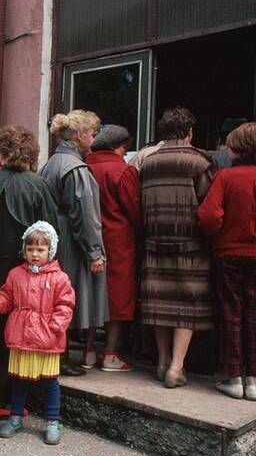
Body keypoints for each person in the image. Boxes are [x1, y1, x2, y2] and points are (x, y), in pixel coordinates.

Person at [0, 125, 58, 419]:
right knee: (16, 335)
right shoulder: (38, 185)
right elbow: (49, 233)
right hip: (23, 272)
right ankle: (3, 400)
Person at [139, 107, 215, 389]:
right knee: (186, 304)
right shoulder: (199, 162)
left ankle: (162, 361)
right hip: (190, 245)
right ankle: (176, 367)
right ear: (190, 132)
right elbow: (208, 204)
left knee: (160, 302)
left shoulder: (148, 162)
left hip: (153, 241)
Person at [0, 221, 75, 444]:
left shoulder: (59, 278)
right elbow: (8, 298)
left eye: (40, 250)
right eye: (30, 249)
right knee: (19, 379)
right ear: (24, 250)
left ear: (51, 251)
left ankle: (52, 421)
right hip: (22, 336)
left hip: (47, 338)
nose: (35, 254)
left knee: (50, 382)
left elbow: (65, 306)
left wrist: (56, 326)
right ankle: (15, 417)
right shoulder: (16, 274)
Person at [40, 110, 108, 375]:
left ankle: (59, 355)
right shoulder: (75, 168)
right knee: (66, 300)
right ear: (79, 136)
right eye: (92, 134)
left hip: (57, 237)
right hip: (70, 240)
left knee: (56, 299)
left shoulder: (51, 163)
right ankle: (61, 357)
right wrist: (95, 253)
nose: (93, 139)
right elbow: (86, 215)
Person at [198, 122, 256, 400]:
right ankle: (254, 379)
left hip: (228, 253)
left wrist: (217, 235)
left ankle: (233, 377)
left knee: (231, 312)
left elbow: (209, 216)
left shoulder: (225, 178)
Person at [86, 125, 141, 371]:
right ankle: (110, 353)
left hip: (89, 239)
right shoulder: (123, 170)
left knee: (90, 293)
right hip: (119, 241)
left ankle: (87, 351)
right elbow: (134, 210)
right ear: (121, 146)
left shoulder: (84, 166)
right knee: (117, 297)